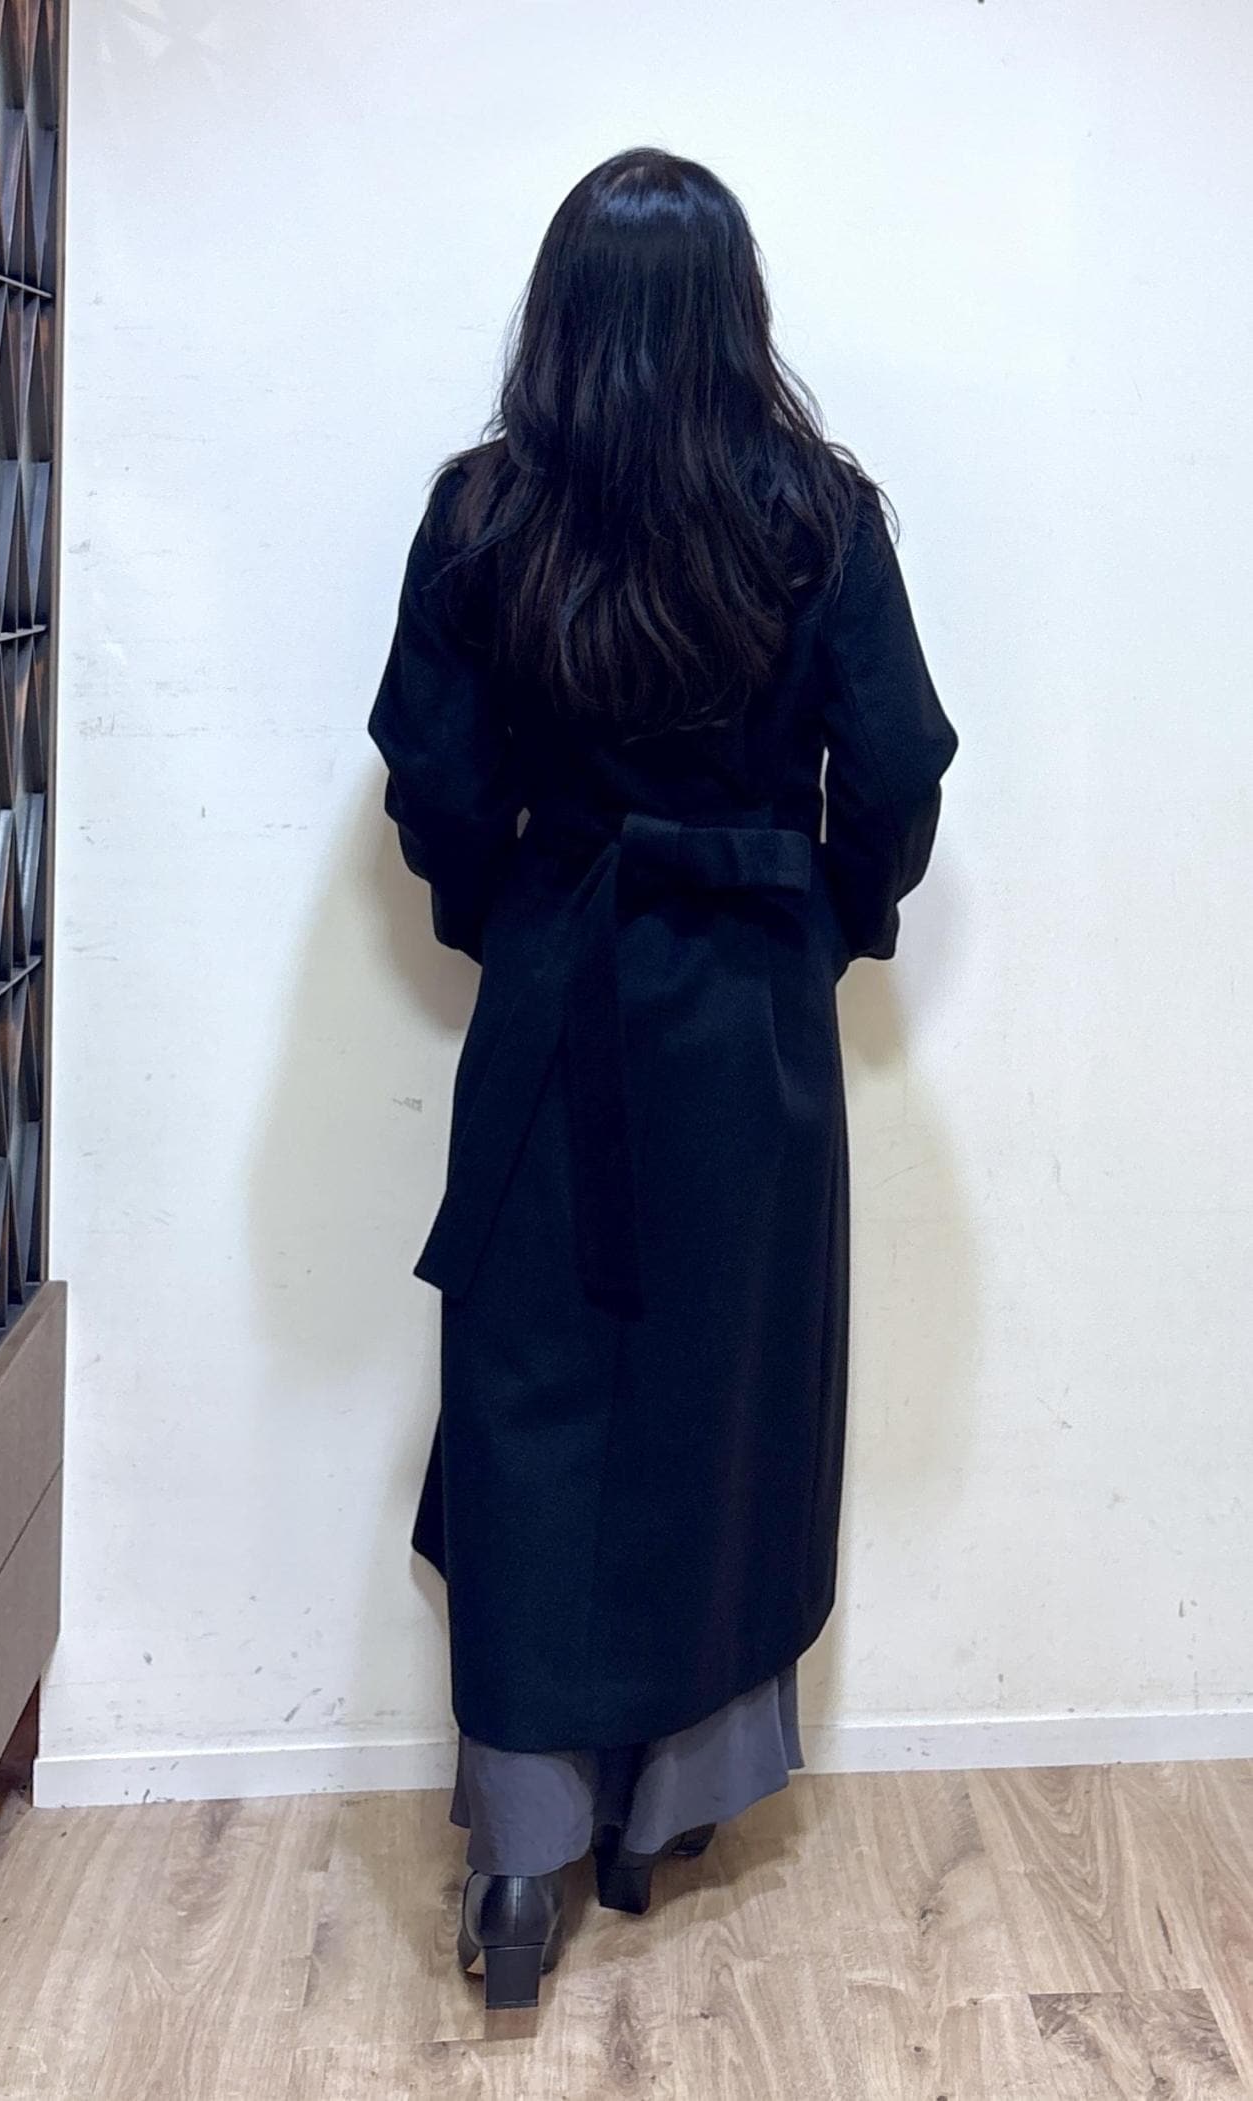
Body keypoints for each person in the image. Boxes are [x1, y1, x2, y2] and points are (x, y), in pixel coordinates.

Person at [368, 146, 958, 2011]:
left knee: (529, 1400)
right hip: (747, 1022)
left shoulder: (485, 514)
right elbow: (901, 769)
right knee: (726, 1399)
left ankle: (519, 1853)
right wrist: (823, 920)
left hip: (561, 991)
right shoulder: (818, 516)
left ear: (558, 314)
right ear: (736, 312)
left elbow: (433, 781)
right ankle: (662, 1814)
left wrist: (511, 912)